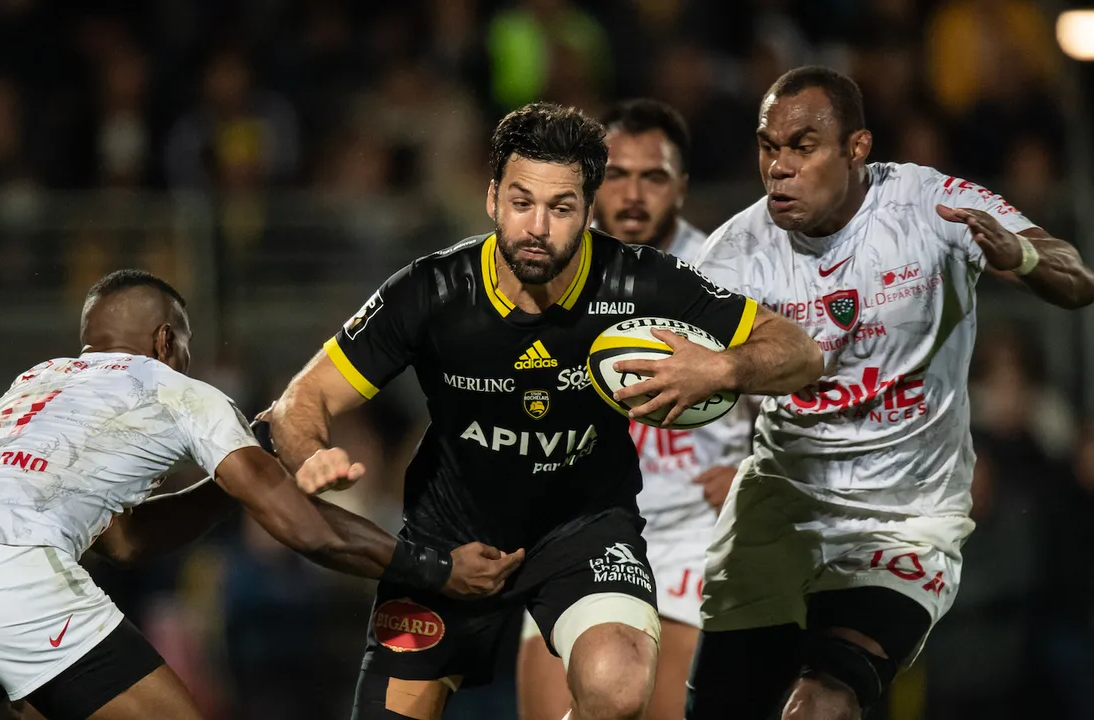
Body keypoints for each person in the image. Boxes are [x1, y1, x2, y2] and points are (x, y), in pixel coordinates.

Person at [265, 101, 823, 720]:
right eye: (521, 201)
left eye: (560, 208)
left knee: (618, 688)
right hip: (449, 542)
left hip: (582, 529)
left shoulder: (639, 281)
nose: (537, 226)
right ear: (491, 199)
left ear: (589, 211)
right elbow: (299, 402)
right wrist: (312, 456)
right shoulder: (431, 292)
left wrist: (723, 368)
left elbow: (800, 353)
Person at [677, 66, 1094, 720]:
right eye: (768, 146)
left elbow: (1078, 278)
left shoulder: (931, 208)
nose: (778, 167)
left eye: (803, 145)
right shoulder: (733, 256)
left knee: (821, 702)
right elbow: (696, 379)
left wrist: (1026, 258)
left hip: (903, 519)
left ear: (857, 148)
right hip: (780, 510)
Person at [0, 270, 521, 720]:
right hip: (17, 574)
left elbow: (125, 541)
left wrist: (234, 482)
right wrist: (437, 570)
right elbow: (307, 531)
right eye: (186, 343)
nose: (186, 357)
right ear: (163, 341)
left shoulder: (30, 386)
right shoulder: (178, 390)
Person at [516, 98, 755, 720]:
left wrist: (756, 472)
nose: (632, 194)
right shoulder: (546, 273)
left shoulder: (727, 273)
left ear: (681, 185)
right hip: (575, 525)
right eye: (616, 174)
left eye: (653, 177)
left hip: (691, 532)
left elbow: (800, 386)